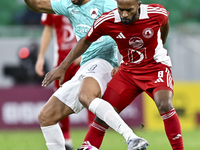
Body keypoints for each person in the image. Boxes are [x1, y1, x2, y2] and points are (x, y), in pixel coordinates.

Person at [42, 0, 184, 149]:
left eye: (128, 10)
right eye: (121, 9)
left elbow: (165, 22)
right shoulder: (108, 19)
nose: (124, 14)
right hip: (128, 72)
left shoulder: (156, 13)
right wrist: (63, 66)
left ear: (138, 5)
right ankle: (88, 147)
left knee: (164, 104)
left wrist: (161, 43)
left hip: (155, 67)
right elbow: (85, 41)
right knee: (103, 115)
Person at [24, 0, 149, 150]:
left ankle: (132, 138)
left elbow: (131, 26)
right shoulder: (68, 5)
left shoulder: (105, 4)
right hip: (86, 66)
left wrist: (124, 62)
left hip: (105, 62)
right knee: (46, 116)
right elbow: (37, 5)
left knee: (86, 96)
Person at [35, 13, 89, 150]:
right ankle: (66, 140)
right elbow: (48, 29)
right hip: (60, 63)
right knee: (60, 98)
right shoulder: (51, 4)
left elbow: (95, 27)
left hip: (83, 61)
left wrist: (86, 54)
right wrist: (40, 57)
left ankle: (90, 140)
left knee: (89, 97)